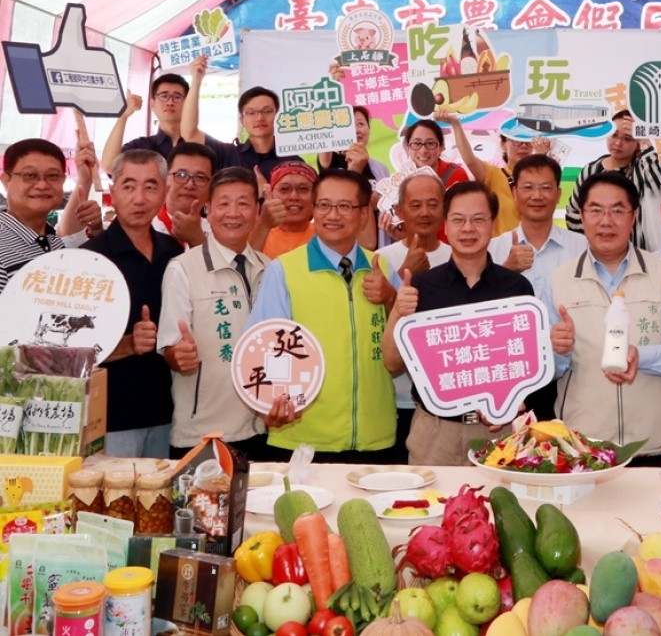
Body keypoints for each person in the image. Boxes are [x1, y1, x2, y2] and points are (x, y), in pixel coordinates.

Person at [543, 171, 661, 464]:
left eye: (617, 210)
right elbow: (550, 370)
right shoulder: (558, 281)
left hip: (655, 444)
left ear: (633, 216)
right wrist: (557, 350)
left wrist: (641, 356)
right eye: (596, 210)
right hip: (583, 446)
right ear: (581, 216)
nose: (606, 221)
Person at [246, 169, 400, 459]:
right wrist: (268, 403)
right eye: (324, 205)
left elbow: (403, 352)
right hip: (303, 439)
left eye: (344, 206)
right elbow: (260, 348)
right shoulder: (283, 270)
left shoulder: (382, 268)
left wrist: (391, 298)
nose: (332, 215)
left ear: (363, 214)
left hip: (376, 437)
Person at [386, 182, 536, 465]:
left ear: (493, 224)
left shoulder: (517, 288)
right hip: (436, 432)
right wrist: (397, 311)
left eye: (478, 219)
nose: (468, 228)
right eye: (458, 219)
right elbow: (392, 364)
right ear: (446, 224)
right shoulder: (421, 286)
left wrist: (509, 402)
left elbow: (525, 365)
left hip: (500, 431)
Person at [158, 167, 285, 458]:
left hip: (259, 429)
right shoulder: (183, 268)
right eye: (224, 203)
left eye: (243, 203)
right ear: (209, 210)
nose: (233, 213)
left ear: (257, 211)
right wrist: (178, 355)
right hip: (202, 435)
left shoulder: (269, 268)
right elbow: (170, 349)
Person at [83, 150, 182, 458]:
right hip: (112, 418)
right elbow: (70, 348)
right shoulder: (90, 258)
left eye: (151, 186)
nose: (139, 198)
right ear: (112, 192)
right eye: (128, 186)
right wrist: (128, 344)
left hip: (167, 412)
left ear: (165, 191)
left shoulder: (173, 252)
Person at [486, 154, 588, 421]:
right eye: (528, 187)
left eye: (545, 187)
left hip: (571, 379)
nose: (537, 196)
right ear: (514, 193)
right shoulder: (493, 249)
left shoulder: (582, 248)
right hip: (510, 380)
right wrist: (505, 271)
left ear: (558, 194)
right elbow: (479, 314)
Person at [376, 171, 451, 460]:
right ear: (399, 210)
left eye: (433, 204)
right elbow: (376, 326)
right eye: (415, 205)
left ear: (444, 208)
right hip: (393, 400)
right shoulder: (380, 259)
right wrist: (403, 275)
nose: (425, 213)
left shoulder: (458, 257)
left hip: (442, 401)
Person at [0, 138, 102, 294]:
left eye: (53, 176)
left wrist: (85, 179)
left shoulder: (53, 242)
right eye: (30, 175)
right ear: (6, 180)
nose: (42, 185)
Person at [180, 56, 302, 180]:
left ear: (278, 117)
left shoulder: (293, 162)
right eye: (251, 112)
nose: (259, 117)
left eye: (267, 111)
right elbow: (190, 134)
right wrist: (196, 80)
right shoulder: (228, 154)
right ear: (242, 120)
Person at [564, 110, 661, 253]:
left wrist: (645, 140)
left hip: (640, 255)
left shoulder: (643, 169)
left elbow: (660, 188)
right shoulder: (590, 170)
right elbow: (573, 214)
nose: (618, 143)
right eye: (614, 135)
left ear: (637, 143)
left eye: (627, 139)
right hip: (597, 255)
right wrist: (598, 237)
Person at [102, 73, 224, 173]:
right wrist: (123, 116)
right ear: (152, 104)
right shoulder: (141, 146)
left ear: (188, 103)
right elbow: (109, 166)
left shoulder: (203, 144)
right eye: (164, 96)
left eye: (177, 97)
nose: (170, 102)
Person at [437, 110, 518, 235]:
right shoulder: (495, 174)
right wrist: (456, 124)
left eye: (528, 142)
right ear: (503, 144)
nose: (523, 146)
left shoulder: (541, 180)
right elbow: (470, 161)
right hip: (501, 246)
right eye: (516, 141)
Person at [155, 142, 218, 248]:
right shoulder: (143, 227)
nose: (190, 185)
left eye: (200, 178)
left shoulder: (219, 234)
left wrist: (197, 239)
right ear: (165, 179)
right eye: (181, 175)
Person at [251, 161, 318, 259]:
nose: (294, 197)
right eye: (284, 189)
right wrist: (263, 225)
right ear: (271, 194)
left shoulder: (330, 235)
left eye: (303, 189)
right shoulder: (255, 235)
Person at [402, 119, 470, 191]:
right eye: (417, 143)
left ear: (441, 147)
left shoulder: (456, 174)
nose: (423, 151)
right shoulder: (400, 180)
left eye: (430, 143)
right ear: (408, 147)